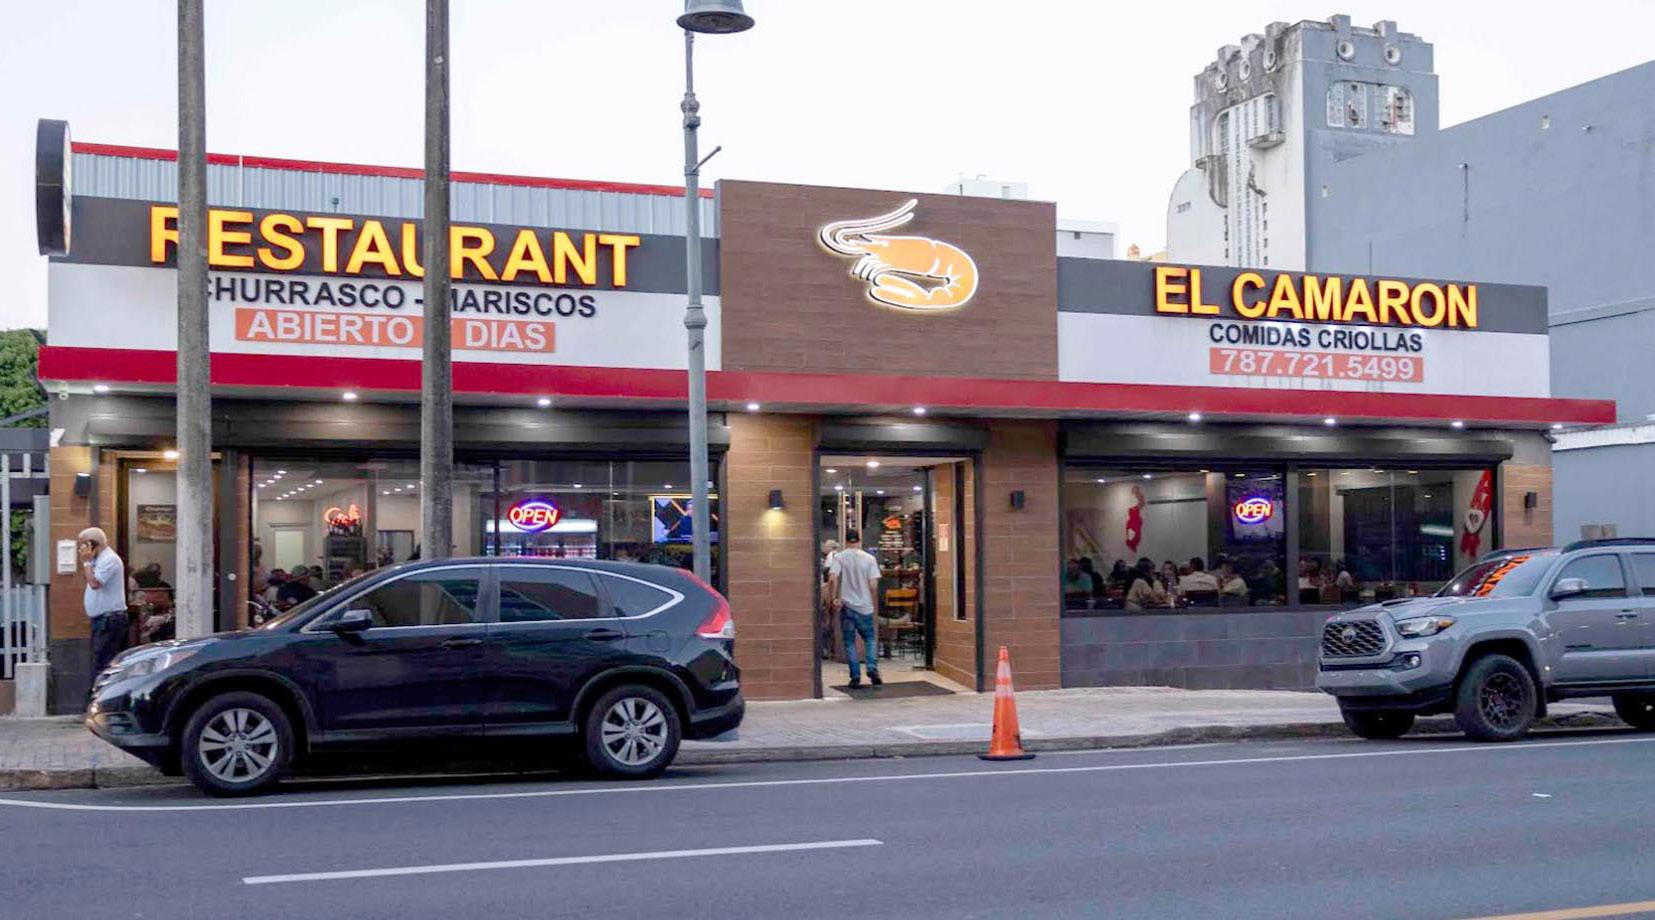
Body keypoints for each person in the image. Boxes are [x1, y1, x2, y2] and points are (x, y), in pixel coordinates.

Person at [827, 529, 882, 688]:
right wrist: (869, 599)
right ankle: (871, 668)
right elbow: (873, 585)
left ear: (846, 541)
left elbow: (832, 579)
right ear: (859, 541)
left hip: (847, 606)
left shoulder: (839, 557)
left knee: (849, 642)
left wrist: (833, 598)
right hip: (865, 607)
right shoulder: (870, 559)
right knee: (870, 639)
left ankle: (855, 677)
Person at [79, 527, 128, 685]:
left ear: (93, 544)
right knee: (100, 661)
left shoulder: (110, 560)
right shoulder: (99, 559)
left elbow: (94, 583)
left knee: (103, 663)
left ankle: (102, 696)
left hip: (109, 620)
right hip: (102, 619)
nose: (81, 550)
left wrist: (86, 562)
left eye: (83, 545)